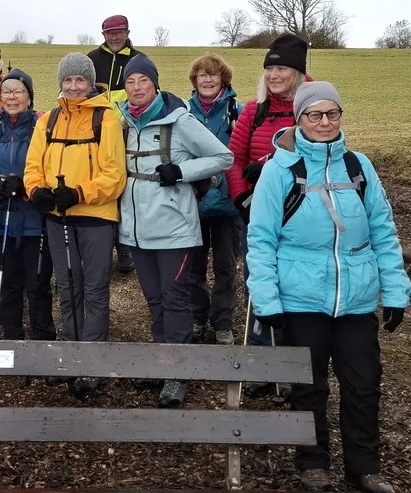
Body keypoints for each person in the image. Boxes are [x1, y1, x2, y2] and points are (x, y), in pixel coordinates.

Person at [247, 81, 409, 493]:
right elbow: (261, 238)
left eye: (332, 113)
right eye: (314, 114)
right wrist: (266, 299)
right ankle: (312, 464)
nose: (324, 122)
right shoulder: (280, 169)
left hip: (355, 299)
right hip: (299, 298)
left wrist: (395, 291)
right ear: (299, 118)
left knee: (363, 386)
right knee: (308, 387)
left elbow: (383, 231)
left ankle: (364, 467)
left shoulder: (358, 166)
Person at [118, 54, 232, 408]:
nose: (137, 88)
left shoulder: (180, 121)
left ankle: (177, 372)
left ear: (155, 84)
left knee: (175, 299)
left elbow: (223, 158)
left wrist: (181, 172)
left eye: (143, 81)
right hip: (136, 230)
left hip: (174, 229)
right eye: (130, 82)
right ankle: (161, 361)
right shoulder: (122, 123)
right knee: (154, 299)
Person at [25, 53, 126, 398]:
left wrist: (80, 192)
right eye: (67, 80)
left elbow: (115, 175)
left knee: (94, 290)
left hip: (96, 217)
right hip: (58, 218)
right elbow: (33, 165)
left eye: (80, 80)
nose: (73, 87)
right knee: (68, 288)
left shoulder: (106, 118)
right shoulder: (48, 119)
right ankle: (72, 356)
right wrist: (37, 191)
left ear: (90, 82)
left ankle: (92, 363)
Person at [227, 32, 311, 376]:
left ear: (298, 72)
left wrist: (270, 164)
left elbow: (316, 154)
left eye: (282, 69)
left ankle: (292, 363)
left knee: (296, 283)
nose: (274, 75)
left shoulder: (313, 108)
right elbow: (234, 159)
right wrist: (241, 197)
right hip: (256, 212)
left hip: (301, 213)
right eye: (269, 69)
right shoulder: (253, 110)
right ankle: (262, 360)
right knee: (258, 281)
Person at [0, 69, 56, 340]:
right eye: (6, 91)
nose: (11, 97)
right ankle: (12, 336)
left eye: (18, 91)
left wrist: (27, 187)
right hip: (2, 218)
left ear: (29, 98)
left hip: (35, 220)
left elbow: (52, 166)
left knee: (38, 283)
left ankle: (43, 338)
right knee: (8, 281)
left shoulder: (42, 127)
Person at [186, 53, 243, 345]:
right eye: (202, 75)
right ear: (195, 80)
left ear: (223, 79)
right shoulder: (183, 113)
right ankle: (197, 317)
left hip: (226, 204)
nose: (208, 80)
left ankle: (222, 322)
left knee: (225, 267)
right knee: (193, 267)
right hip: (192, 203)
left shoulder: (238, 112)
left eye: (213, 74)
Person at [87, 14, 145, 274]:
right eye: (109, 33)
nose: (114, 37)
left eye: (119, 32)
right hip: (94, 134)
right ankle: (102, 244)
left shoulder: (138, 60)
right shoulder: (91, 59)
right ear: (103, 35)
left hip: (127, 133)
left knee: (124, 186)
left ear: (128, 33)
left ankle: (123, 244)